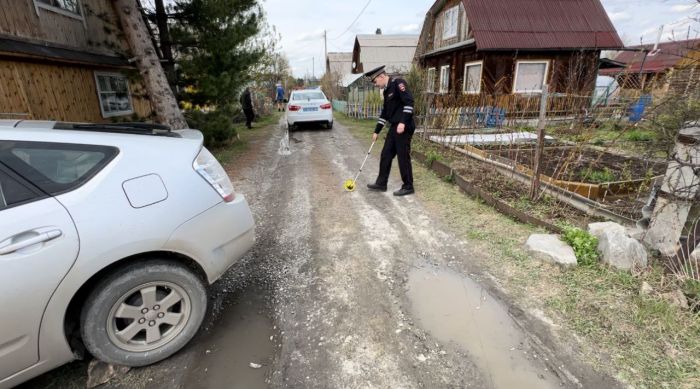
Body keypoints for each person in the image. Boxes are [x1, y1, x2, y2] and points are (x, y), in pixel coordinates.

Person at [364, 65, 415, 196]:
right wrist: (376, 131)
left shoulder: (398, 83)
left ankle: (408, 186)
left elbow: (409, 102)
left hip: (403, 126)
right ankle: (381, 184)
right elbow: (385, 113)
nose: (375, 85)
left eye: (375, 82)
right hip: (394, 127)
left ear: (381, 76)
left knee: (402, 156)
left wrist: (403, 122)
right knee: (386, 154)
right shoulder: (387, 91)